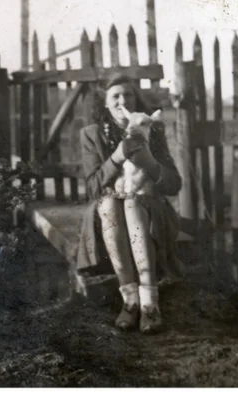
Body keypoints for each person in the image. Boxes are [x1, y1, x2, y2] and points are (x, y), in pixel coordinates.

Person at [76, 74, 183, 334]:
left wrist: (150, 163)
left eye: (129, 95)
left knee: (133, 205)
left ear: (136, 101)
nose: (123, 100)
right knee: (111, 204)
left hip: (146, 210)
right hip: (108, 216)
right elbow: (92, 188)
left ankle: (150, 305)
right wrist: (118, 155)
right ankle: (130, 301)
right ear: (105, 103)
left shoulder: (151, 128)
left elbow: (173, 185)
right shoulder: (91, 135)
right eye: (116, 96)